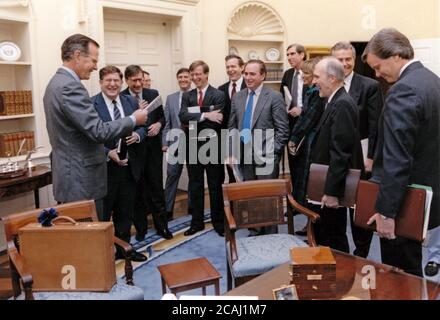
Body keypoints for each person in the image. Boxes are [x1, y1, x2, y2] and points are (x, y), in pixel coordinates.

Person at [43, 34, 147, 219]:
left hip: (72, 175)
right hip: (81, 179)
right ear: (77, 56)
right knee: (90, 239)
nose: (95, 66)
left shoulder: (55, 83)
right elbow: (98, 131)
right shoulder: (70, 87)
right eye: (93, 60)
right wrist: (133, 119)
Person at [363, 28, 440, 276]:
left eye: (378, 67)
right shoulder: (433, 81)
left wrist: (386, 213)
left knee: (401, 274)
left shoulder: (403, 90)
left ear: (396, 55)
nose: (377, 74)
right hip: (430, 195)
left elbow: (396, 159)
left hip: (405, 202)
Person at [332, 41, 384, 258]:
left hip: (362, 153)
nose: (344, 64)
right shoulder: (329, 82)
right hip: (336, 154)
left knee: (359, 205)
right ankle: (341, 252)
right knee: (337, 203)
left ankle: (361, 251)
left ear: (354, 60)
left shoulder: (369, 86)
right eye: (340, 59)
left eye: (348, 59)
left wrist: (371, 157)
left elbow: (376, 126)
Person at [91, 66, 147, 262]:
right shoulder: (91, 104)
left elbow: (143, 127)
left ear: (121, 82)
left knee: (125, 211)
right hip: (104, 169)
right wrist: (109, 153)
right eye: (108, 80)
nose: (113, 84)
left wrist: (137, 136)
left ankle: (124, 249)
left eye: (116, 80)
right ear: (100, 82)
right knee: (104, 215)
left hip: (129, 168)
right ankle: (105, 254)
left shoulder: (130, 101)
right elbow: (90, 139)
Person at [310, 57, 364, 253]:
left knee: (334, 239)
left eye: (317, 76)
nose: (313, 81)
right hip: (326, 183)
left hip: (332, 189)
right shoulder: (334, 100)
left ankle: (341, 280)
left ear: (332, 78)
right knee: (326, 236)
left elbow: (340, 153)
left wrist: (332, 192)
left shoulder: (342, 104)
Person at [122, 65, 172, 240]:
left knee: (156, 189)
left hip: (153, 151)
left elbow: (162, 118)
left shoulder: (153, 94)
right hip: (134, 151)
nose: (138, 83)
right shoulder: (122, 98)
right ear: (126, 80)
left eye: (140, 79)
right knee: (137, 192)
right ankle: (141, 230)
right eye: (134, 80)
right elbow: (122, 125)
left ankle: (162, 227)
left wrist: (159, 125)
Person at [179, 60, 225, 237]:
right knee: (195, 186)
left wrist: (195, 116)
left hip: (213, 146)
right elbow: (183, 115)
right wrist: (206, 114)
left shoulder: (218, 95)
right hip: (192, 147)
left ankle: (218, 222)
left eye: (198, 74)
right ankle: (196, 222)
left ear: (206, 74)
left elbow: (218, 121)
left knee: (215, 186)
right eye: (193, 74)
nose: (195, 77)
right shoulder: (188, 95)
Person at [228, 59, 289, 181]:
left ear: (262, 75)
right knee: (248, 197)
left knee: (266, 197)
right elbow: (232, 127)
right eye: (246, 73)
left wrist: (272, 152)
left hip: (267, 158)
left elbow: (282, 129)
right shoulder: (237, 97)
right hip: (244, 156)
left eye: (252, 74)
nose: (248, 77)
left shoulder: (274, 97)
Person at [287, 58, 325, 207]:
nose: (302, 76)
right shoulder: (312, 91)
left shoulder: (316, 93)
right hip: (309, 139)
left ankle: (306, 213)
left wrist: (294, 138)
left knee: (308, 179)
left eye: (306, 73)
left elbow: (307, 120)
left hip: (311, 141)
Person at [162, 68, 192, 221]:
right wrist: (164, 143)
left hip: (194, 143)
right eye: (180, 77)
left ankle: (193, 207)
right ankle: (168, 210)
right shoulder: (171, 98)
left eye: (186, 77)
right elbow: (167, 122)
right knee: (172, 175)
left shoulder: (197, 96)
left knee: (194, 176)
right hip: (175, 142)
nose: (183, 80)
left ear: (191, 78)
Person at [218, 54, 247, 183]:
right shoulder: (221, 89)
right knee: (232, 175)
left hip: (247, 138)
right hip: (228, 139)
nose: (230, 70)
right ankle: (233, 203)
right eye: (227, 67)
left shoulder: (250, 86)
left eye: (233, 66)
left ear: (242, 67)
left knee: (247, 175)